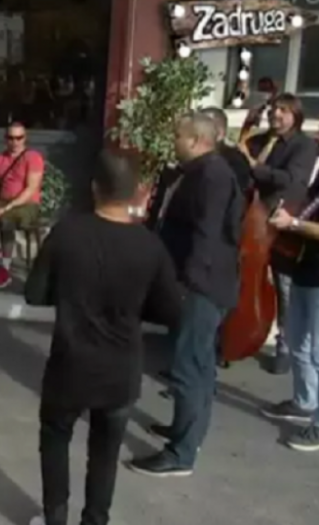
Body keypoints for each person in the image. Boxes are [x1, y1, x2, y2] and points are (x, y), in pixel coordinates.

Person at [24, 150, 182, 525]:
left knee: (55, 438)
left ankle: (55, 517)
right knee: (105, 451)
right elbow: (171, 312)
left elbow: (34, 293)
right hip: (120, 367)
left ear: (95, 188)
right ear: (137, 191)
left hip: (70, 363)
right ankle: (95, 520)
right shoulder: (149, 246)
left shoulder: (67, 233)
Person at [129, 112, 243, 477]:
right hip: (199, 282)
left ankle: (181, 453)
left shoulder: (212, 176)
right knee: (199, 363)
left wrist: (186, 284)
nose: (174, 141)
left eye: (178, 135)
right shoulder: (196, 172)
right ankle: (186, 432)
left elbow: (207, 235)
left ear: (196, 140)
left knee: (188, 367)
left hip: (201, 286)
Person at [243, 94, 319, 376]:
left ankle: (284, 347)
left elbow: (290, 180)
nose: (275, 114)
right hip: (253, 221)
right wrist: (244, 135)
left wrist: (255, 167)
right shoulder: (260, 141)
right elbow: (240, 166)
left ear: (295, 116)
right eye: (274, 109)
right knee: (243, 279)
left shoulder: (304, 146)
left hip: (282, 224)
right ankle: (234, 333)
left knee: (283, 287)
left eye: (283, 110)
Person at [268, 196, 319, 451]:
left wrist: (293, 223)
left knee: (317, 352)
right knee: (298, 342)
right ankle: (304, 402)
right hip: (306, 270)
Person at [0, 122, 45, 289]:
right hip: (2, 202)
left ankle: (4, 268)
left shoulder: (32, 157)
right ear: (5, 139)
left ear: (25, 138)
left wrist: (4, 209)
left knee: (5, 220)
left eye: (19, 138)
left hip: (26, 205)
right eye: (11, 138)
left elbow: (30, 189)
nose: (15, 142)